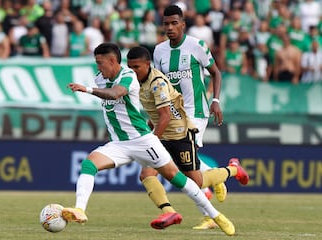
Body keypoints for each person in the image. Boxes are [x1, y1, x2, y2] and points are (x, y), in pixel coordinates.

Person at [62, 42, 236, 236]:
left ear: (112, 61)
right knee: (89, 164)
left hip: (143, 140)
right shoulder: (100, 78)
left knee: (179, 179)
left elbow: (115, 94)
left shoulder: (128, 77)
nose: (98, 67)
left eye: (100, 63)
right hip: (119, 144)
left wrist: (87, 89)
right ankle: (80, 210)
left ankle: (216, 216)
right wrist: (93, 87)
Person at [127, 46, 249, 230]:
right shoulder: (139, 84)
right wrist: (150, 130)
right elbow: (157, 115)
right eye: (130, 68)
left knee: (196, 181)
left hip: (180, 134)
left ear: (147, 64)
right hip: (163, 135)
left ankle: (233, 169)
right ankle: (168, 211)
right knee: (146, 174)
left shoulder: (157, 82)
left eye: (136, 67)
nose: (133, 72)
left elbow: (166, 116)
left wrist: (150, 141)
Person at [153, 5, 231, 230]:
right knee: (183, 165)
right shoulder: (159, 51)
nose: (169, 27)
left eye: (174, 23)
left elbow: (216, 72)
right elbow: (160, 85)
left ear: (183, 24)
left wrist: (215, 101)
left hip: (196, 112)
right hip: (174, 114)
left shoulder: (197, 46)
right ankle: (216, 177)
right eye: (166, 23)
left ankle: (209, 217)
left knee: (186, 167)